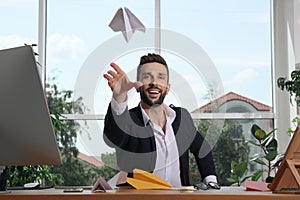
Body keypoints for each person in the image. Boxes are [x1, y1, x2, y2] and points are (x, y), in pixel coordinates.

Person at [103, 53, 219, 189]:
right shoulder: (129, 120)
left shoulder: (181, 118)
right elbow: (112, 139)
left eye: (160, 77)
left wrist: (210, 180)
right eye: (147, 77)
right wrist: (119, 96)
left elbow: (202, 148)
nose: (154, 83)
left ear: (167, 88)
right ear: (139, 85)